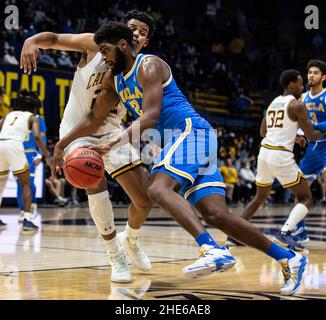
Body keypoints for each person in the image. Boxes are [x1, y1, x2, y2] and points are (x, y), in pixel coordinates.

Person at [55, 22, 309, 295]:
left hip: (190, 132)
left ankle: (210, 248)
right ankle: (290, 258)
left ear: (123, 46)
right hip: (188, 142)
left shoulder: (148, 65)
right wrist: (63, 143)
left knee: (156, 188)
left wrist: (114, 142)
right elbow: (94, 118)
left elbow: (151, 116)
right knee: (217, 215)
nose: (102, 57)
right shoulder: (115, 80)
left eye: (105, 50)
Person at [21, 10, 156, 283]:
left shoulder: (141, 70)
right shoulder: (95, 45)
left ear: (146, 41)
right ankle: (115, 254)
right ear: (121, 34)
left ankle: (131, 238)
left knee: (144, 200)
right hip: (76, 133)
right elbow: (57, 38)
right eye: (133, 28)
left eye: (143, 31)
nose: (137, 34)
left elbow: (102, 118)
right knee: (93, 181)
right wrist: (31, 41)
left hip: (110, 133)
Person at [225, 70, 325, 251]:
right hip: (280, 156)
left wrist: (291, 136)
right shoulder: (297, 105)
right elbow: (311, 135)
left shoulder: (272, 103)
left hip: (264, 154)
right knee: (305, 198)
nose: (303, 87)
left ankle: (233, 236)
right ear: (291, 84)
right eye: (300, 83)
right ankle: (285, 233)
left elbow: (263, 132)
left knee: (258, 198)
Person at [0, 94, 51, 231]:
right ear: (34, 109)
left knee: (0, 185)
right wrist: (47, 155)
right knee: (26, 184)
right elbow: (37, 136)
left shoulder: (8, 116)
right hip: (15, 145)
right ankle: (27, 220)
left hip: (0, 144)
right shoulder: (32, 117)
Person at [295, 59, 326, 245]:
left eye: (315, 73)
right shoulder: (303, 98)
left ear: (323, 77)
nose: (311, 76)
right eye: (309, 72)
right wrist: (300, 133)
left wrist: (311, 126)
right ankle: (300, 231)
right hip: (314, 148)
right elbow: (298, 121)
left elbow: (310, 123)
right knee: (300, 190)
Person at [15, 90, 47, 222]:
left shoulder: (38, 119)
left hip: (31, 153)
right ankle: (22, 211)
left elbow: (42, 137)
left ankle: (32, 207)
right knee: (19, 184)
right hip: (17, 152)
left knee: (30, 183)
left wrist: (40, 155)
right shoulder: (18, 118)